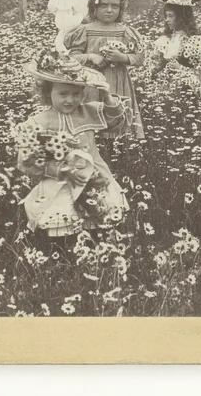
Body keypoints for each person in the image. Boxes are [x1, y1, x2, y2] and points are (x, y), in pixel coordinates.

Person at [14, 49, 130, 253]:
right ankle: (64, 255)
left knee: (101, 216)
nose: (70, 100)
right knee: (63, 219)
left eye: (76, 94)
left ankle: (100, 248)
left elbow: (118, 124)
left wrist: (107, 97)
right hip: (61, 180)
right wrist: (52, 168)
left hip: (96, 176)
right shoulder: (39, 122)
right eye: (62, 94)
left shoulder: (89, 111)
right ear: (47, 94)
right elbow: (27, 160)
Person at [63, 0, 146, 139]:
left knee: (116, 117)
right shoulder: (85, 30)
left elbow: (140, 57)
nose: (109, 10)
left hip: (117, 83)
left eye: (114, 6)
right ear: (94, 6)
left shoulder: (125, 32)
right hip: (91, 84)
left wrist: (122, 57)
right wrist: (91, 57)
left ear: (121, 8)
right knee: (92, 121)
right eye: (104, 5)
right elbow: (72, 57)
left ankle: (119, 147)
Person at [148, 0, 201, 95]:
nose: (167, 20)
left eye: (171, 16)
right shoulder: (165, 41)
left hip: (187, 91)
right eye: (166, 16)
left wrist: (180, 69)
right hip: (165, 90)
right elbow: (154, 67)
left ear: (182, 18)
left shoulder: (196, 42)